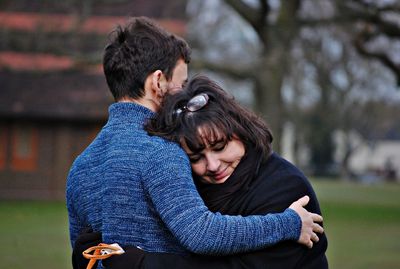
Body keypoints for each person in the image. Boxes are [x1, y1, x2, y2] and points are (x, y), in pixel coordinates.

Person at [66, 17, 323, 269]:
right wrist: (287, 224)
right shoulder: (161, 151)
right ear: (158, 82)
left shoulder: (80, 167)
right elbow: (201, 233)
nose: (185, 94)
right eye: (182, 82)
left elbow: (85, 253)